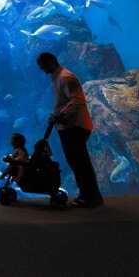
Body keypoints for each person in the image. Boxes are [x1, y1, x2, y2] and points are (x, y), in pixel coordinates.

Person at [36, 52, 104, 208]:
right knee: (78, 164)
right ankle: (88, 195)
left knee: (80, 164)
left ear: (48, 62)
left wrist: (59, 114)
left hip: (75, 126)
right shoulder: (58, 77)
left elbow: (77, 100)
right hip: (68, 126)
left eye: (41, 65)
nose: (40, 68)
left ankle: (90, 198)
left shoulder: (66, 78)